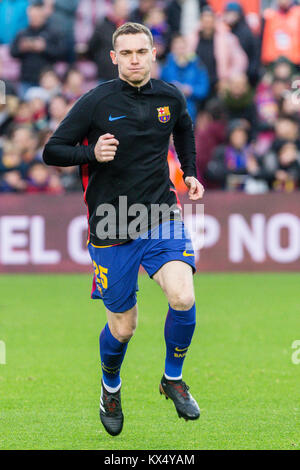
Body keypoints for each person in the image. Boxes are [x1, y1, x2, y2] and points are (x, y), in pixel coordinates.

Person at [43, 22, 204, 437]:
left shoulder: (170, 96)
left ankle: (172, 378)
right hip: (112, 224)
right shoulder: (95, 102)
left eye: (141, 52)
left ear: (153, 54)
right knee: (123, 327)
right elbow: (52, 150)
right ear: (114, 57)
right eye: (126, 53)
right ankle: (111, 387)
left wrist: (189, 173)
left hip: (160, 215)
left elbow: (184, 128)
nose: (135, 59)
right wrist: (90, 152)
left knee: (183, 296)